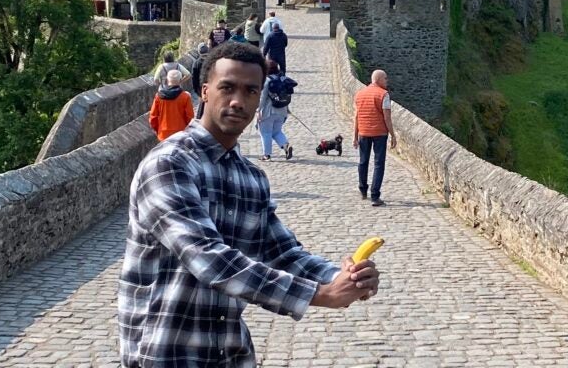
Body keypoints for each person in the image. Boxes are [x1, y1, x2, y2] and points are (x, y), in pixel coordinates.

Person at [119, 42, 380, 367]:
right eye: (227, 88)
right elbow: (207, 258)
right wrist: (320, 294)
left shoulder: (251, 177)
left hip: (229, 352)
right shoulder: (170, 165)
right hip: (166, 353)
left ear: (259, 99)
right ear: (204, 91)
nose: (237, 101)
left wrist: (344, 276)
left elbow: (282, 253)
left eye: (250, 91)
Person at [353, 68, 397, 207]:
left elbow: (356, 117)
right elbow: (387, 117)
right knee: (379, 163)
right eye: (385, 78)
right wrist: (393, 135)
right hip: (379, 133)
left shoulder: (360, 94)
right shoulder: (383, 94)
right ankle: (375, 195)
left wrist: (355, 136)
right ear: (378, 80)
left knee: (363, 161)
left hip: (363, 132)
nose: (387, 81)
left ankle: (363, 189)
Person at [257, 58, 297, 161]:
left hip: (269, 111)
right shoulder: (283, 79)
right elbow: (286, 95)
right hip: (282, 111)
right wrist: (287, 109)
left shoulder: (267, 81)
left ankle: (267, 155)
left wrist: (258, 111)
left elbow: (263, 97)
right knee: (276, 131)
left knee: (265, 132)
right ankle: (285, 146)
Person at [148, 69, 194, 142]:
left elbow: (153, 117)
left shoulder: (158, 96)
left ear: (167, 79)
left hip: (163, 134)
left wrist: (158, 130)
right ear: (180, 80)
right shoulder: (185, 96)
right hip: (180, 134)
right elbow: (190, 117)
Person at [190, 41, 210, 119]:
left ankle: (200, 120)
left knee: (202, 105)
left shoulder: (196, 63)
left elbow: (194, 78)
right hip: (212, 85)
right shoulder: (213, 61)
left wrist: (196, 91)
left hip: (201, 87)